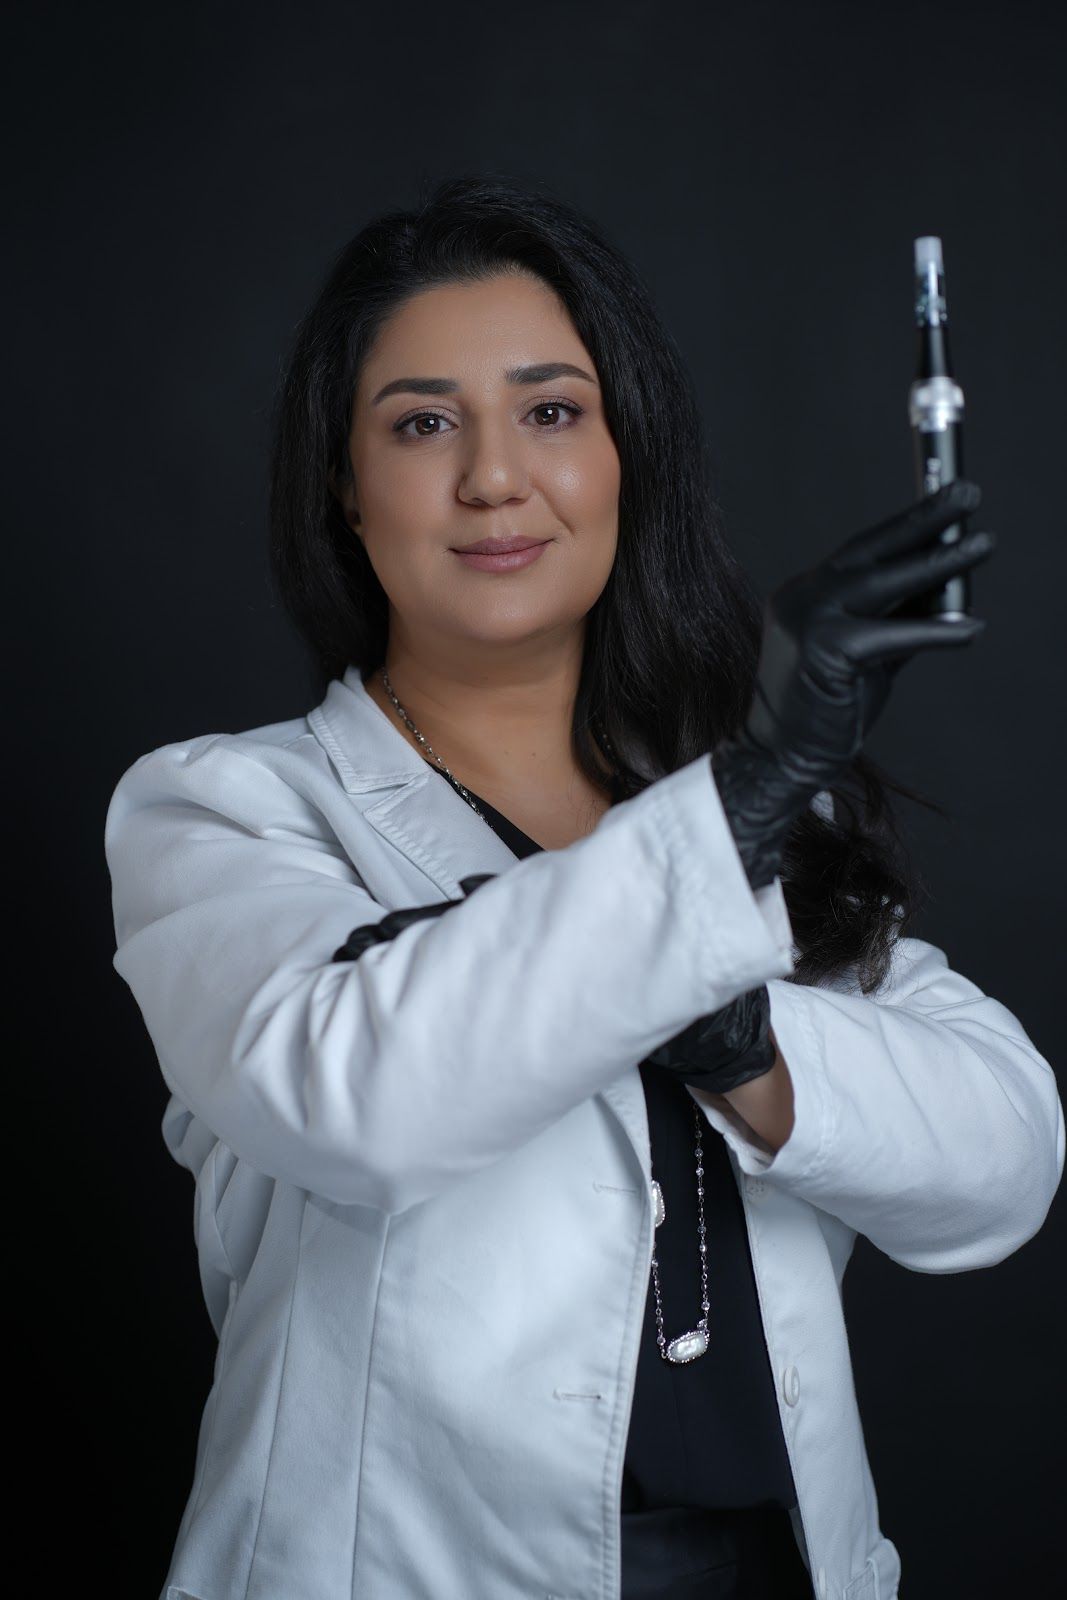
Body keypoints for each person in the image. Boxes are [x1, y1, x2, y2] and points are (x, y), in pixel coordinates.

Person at [104, 175, 1063, 1600]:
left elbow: (1003, 1162)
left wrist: (747, 1044)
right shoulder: (229, 809)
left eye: (552, 411)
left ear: (628, 457)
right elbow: (351, 1096)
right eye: (423, 424)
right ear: (342, 485)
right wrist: (738, 794)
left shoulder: (752, 841)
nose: (496, 477)